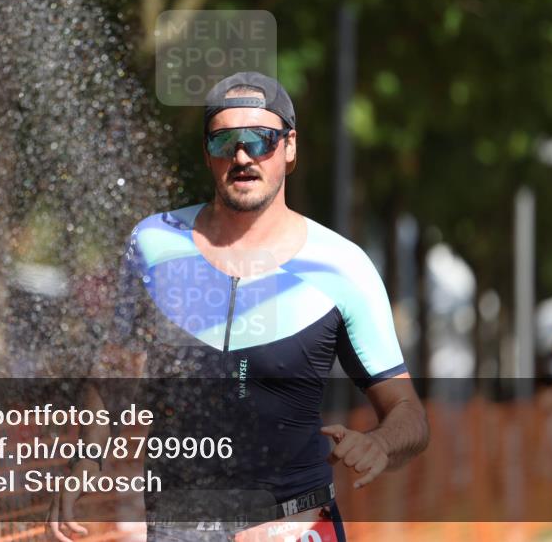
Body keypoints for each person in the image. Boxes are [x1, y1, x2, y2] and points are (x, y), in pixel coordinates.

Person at [47, 71, 429, 542]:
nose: (243, 156)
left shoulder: (342, 266)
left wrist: (379, 444)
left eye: (261, 140)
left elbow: (409, 413)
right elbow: (112, 375)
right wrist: (85, 461)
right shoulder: (153, 244)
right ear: (207, 154)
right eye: (226, 142)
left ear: (289, 148)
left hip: (293, 524)